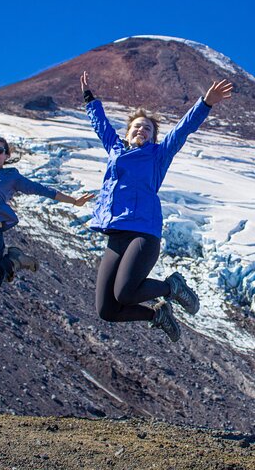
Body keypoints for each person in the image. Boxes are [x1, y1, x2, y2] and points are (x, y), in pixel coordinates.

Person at [80, 71, 233, 342]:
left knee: (125, 293)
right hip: (115, 235)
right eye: (137, 127)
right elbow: (101, 125)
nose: (141, 130)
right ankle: (157, 315)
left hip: (143, 233)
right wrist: (90, 100)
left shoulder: (158, 155)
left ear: (153, 137)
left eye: (147, 128)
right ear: (127, 134)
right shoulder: (115, 149)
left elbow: (183, 129)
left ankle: (172, 288)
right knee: (106, 309)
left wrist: (205, 103)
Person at [0, 109, 94, 302]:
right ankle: (10, 261)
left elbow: (41, 190)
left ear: (6, 156)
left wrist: (74, 201)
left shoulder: (11, 177)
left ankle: (12, 262)